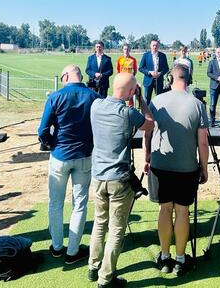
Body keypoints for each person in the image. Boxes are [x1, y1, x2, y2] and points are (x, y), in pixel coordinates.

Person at [88, 73, 154, 288]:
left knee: (99, 223)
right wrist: (142, 100)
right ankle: (105, 278)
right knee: (116, 231)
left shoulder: (96, 106)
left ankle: (93, 266)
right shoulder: (128, 113)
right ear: (131, 91)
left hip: (98, 176)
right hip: (118, 179)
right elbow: (150, 124)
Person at [143, 64, 209, 276]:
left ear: (170, 79)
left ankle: (164, 256)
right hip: (186, 167)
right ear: (188, 80)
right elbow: (203, 143)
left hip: (161, 165)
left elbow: (147, 133)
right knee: (182, 211)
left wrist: (146, 158)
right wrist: (204, 168)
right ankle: (180, 259)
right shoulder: (198, 104)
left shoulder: (156, 100)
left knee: (164, 209)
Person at [38, 65, 99, 265]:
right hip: (83, 155)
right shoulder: (93, 96)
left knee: (55, 203)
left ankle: (57, 247)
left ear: (65, 76)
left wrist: (49, 143)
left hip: (60, 155)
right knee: (79, 204)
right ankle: (72, 251)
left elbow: (43, 130)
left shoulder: (55, 97)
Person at [138, 39, 169, 104]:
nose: (155, 47)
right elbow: (140, 68)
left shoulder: (163, 56)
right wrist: (149, 72)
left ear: (158, 46)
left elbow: (166, 68)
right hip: (148, 81)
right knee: (147, 100)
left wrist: (160, 73)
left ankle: (158, 113)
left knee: (159, 100)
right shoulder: (145, 55)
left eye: (156, 45)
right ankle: (146, 113)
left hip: (159, 81)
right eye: (153, 45)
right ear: (150, 46)